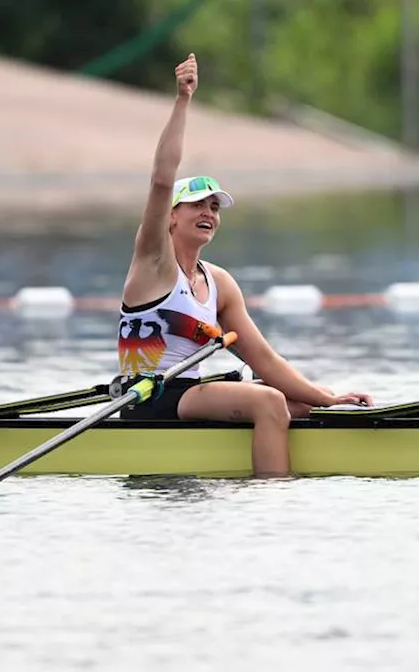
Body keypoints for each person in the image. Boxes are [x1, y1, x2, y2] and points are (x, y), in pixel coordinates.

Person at [118, 53, 372, 477]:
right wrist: (183, 100)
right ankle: (268, 498)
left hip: (191, 393)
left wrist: (329, 400)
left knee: (304, 400)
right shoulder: (152, 264)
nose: (209, 213)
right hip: (147, 398)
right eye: (197, 204)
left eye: (215, 207)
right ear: (170, 217)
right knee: (270, 402)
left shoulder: (219, 283)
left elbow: (266, 362)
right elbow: (162, 179)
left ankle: (262, 461)